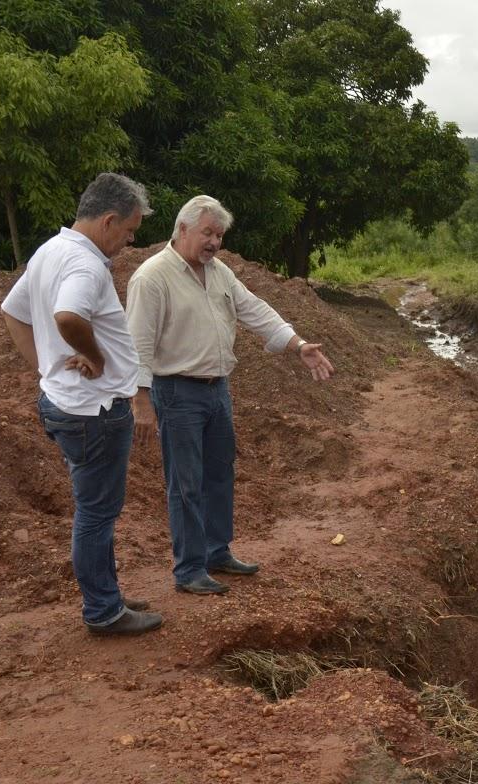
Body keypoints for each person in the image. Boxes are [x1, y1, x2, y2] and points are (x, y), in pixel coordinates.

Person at [126, 195, 334, 595]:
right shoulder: (152, 277)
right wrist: (141, 400)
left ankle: (216, 551)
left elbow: (255, 310)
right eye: (208, 233)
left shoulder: (219, 273)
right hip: (176, 392)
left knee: (219, 474)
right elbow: (138, 343)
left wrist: (299, 345)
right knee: (184, 483)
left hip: (217, 389)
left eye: (219, 235)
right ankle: (188, 569)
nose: (214, 242)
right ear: (182, 229)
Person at [0, 173, 164, 636]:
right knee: (96, 512)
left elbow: (12, 312)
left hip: (67, 404)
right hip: (93, 412)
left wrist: (45, 369)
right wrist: (93, 357)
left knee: (95, 507)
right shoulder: (84, 265)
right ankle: (103, 611)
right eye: (129, 231)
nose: (130, 241)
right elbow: (68, 317)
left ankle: (105, 592)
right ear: (108, 220)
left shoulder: (51, 250)